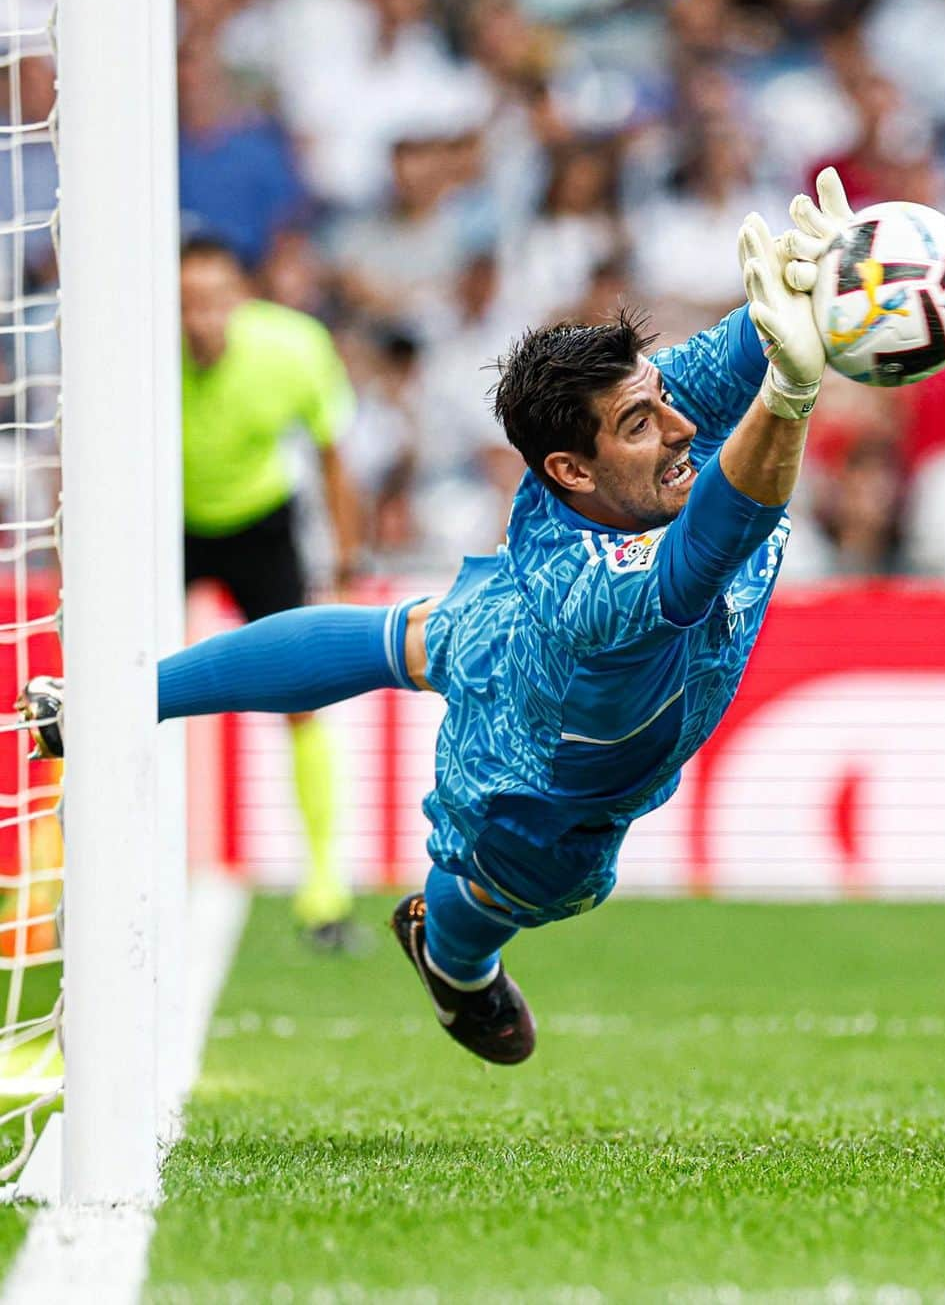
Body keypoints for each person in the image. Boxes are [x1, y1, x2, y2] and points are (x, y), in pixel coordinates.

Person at [22, 174, 853, 1064]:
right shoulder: (605, 595)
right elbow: (717, 537)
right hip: (539, 779)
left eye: (660, 400)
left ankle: (113, 703)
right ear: (572, 469)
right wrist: (792, 397)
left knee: (407, 636)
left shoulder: (623, 436)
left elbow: (736, 360)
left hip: (513, 620)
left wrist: (829, 286)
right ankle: (451, 959)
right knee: (506, 901)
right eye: (645, 423)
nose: (682, 426)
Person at [179, 235, 363, 947]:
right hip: (166, 523)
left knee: (302, 697)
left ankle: (326, 893)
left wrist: (346, 558)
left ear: (242, 298)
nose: (202, 320)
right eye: (188, 304)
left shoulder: (292, 349)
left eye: (215, 301)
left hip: (260, 522)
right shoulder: (133, 350)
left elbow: (332, 455)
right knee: (118, 686)